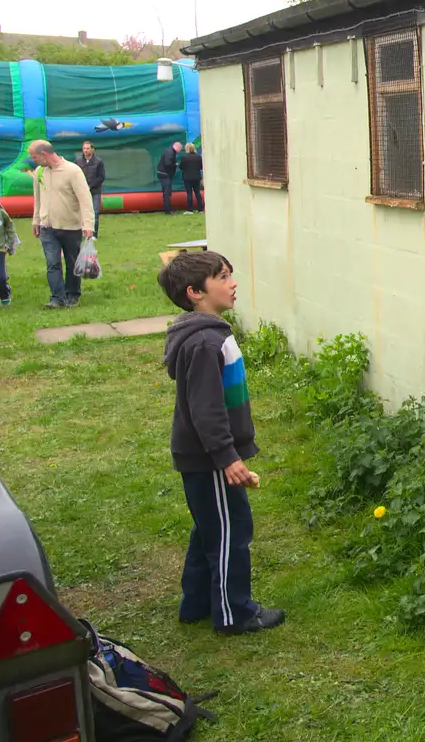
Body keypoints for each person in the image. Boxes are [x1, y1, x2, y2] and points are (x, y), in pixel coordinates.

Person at [158, 251, 285, 636]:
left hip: (207, 458)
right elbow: (206, 409)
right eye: (224, 277)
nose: (233, 283)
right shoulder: (203, 343)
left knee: (209, 529)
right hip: (210, 460)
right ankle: (235, 613)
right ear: (195, 291)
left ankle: (196, 604)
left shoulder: (211, 334)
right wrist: (227, 458)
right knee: (231, 531)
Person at [28, 140, 94, 309]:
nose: (33, 160)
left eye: (34, 156)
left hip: (71, 227)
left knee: (72, 262)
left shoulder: (73, 171)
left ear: (44, 154)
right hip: (47, 227)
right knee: (52, 263)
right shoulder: (39, 172)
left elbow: (85, 199)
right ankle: (57, 298)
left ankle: (72, 294)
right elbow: (37, 198)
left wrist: (88, 224)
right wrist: (36, 220)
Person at [78, 141, 106, 238]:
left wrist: (90, 186)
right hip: (81, 192)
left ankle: (93, 234)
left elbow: (101, 177)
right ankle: (82, 232)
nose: (85, 150)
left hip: (95, 191)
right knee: (81, 212)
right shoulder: (78, 162)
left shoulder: (98, 162)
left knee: (95, 212)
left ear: (92, 149)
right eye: (84, 148)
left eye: (87, 148)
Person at [157, 141, 183, 214]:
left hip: (163, 173)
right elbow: (168, 163)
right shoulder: (171, 153)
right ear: (178, 148)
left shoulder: (169, 151)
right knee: (167, 192)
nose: (180, 151)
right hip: (165, 174)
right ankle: (168, 209)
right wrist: (175, 165)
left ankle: (167, 208)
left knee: (166, 192)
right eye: (180, 149)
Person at [179, 143, 204, 213]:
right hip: (197, 177)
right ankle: (200, 209)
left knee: (189, 193)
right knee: (197, 193)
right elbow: (201, 167)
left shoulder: (185, 157)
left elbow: (181, 167)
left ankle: (190, 210)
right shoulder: (198, 157)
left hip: (187, 178)